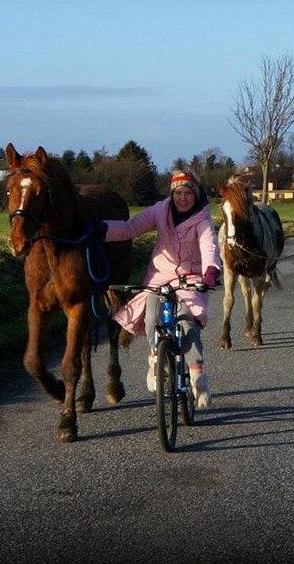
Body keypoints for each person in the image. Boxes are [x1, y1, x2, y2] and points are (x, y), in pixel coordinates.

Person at [98, 170, 221, 409]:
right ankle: (156, 360)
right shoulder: (159, 210)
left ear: (195, 195)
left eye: (188, 193)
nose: (183, 198)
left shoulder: (202, 218)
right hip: (160, 277)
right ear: (171, 194)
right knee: (152, 314)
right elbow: (130, 228)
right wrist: (102, 229)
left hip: (191, 277)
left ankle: (198, 377)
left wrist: (211, 270)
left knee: (187, 321)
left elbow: (209, 245)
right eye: (178, 193)